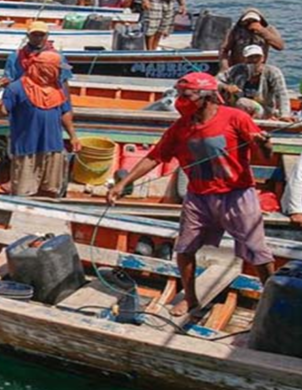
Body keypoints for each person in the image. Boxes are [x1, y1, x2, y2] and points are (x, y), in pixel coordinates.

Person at [107, 72, 275, 317]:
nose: (181, 100)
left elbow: (264, 153)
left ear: (206, 97)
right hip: (198, 197)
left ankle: (270, 299)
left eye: (187, 95)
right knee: (184, 249)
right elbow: (155, 157)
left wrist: (265, 144)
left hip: (236, 195)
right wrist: (123, 184)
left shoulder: (235, 117)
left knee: (256, 250)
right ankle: (191, 299)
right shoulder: (181, 127)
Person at [0, 50, 81, 197]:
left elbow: (65, 112)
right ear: (46, 68)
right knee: (24, 190)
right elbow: (3, 111)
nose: (60, 73)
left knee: (51, 189)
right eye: (58, 69)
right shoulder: (16, 88)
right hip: (27, 148)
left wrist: (73, 136)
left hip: (53, 147)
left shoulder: (58, 88)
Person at [217, 44, 291, 120]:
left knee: (242, 102)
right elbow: (215, 81)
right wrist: (226, 87)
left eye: (257, 57)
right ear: (244, 59)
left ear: (262, 58)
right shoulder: (236, 70)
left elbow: (282, 94)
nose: (254, 60)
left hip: (263, 110)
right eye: (250, 57)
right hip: (238, 108)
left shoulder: (272, 72)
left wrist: (284, 115)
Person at [3, 21, 72, 87]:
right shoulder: (15, 57)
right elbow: (9, 79)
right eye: (34, 35)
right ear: (28, 35)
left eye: (42, 35)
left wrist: (67, 99)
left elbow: (64, 79)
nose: (38, 38)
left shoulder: (58, 57)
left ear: (47, 36)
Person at [218, 8, 285, 72]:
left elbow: (280, 46)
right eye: (247, 21)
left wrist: (262, 32)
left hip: (259, 67)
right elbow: (224, 50)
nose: (250, 23)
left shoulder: (268, 29)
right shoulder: (235, 30)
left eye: (254, 21)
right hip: (238, 68)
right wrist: (225, 67)